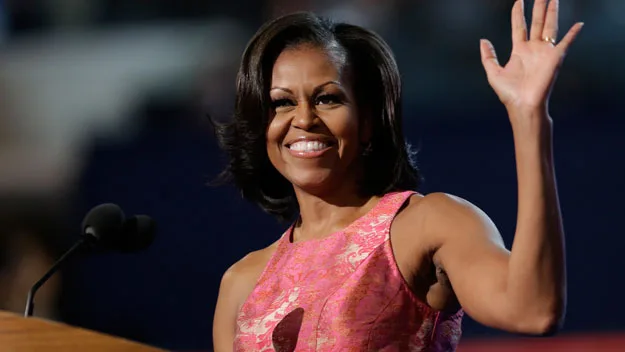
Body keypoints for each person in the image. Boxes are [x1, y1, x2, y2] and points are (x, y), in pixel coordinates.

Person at [212, 0, 583, 350]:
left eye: (328, 98)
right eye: (282, 103)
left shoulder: (428, 224)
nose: (305, 119)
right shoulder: (242, 283)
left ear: (369, 120)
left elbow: (533, 310)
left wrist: (529, 116)